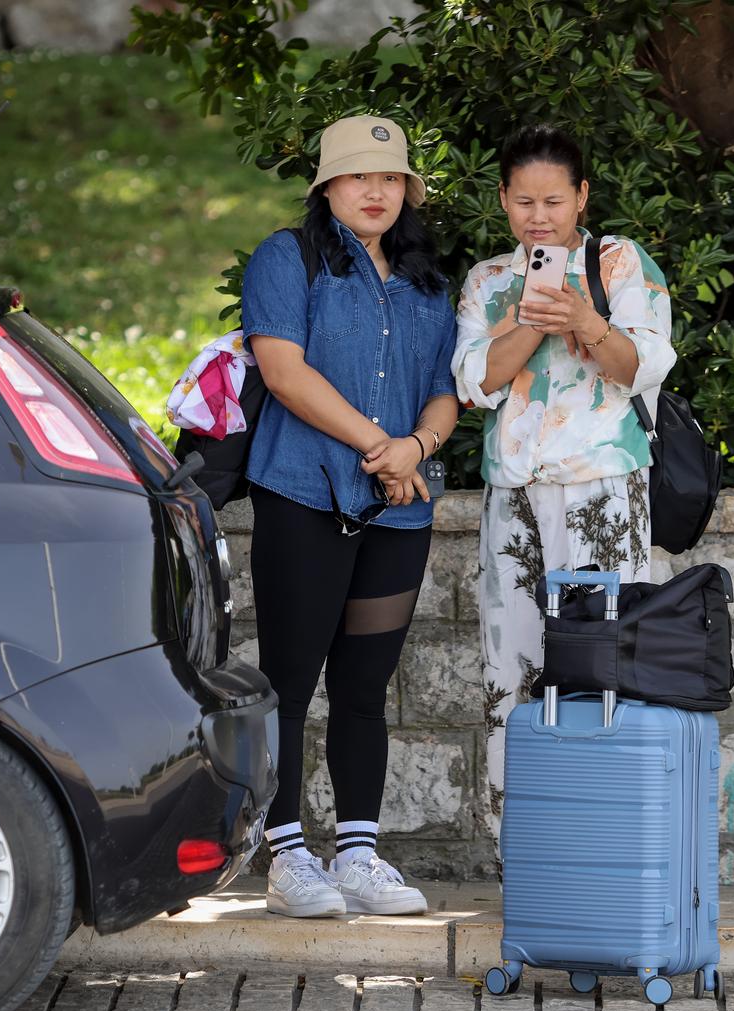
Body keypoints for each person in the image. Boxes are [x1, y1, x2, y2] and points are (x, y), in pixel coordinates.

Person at [242, 115, 461, 917]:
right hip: (303, 489)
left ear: (407, 191)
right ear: (327, 187)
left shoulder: (430, 283)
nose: (376, 190)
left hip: (398, 511)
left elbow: (448, 387)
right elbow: (284, 371)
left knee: (365, 687)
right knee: (291, 682)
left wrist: (419, 443)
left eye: (391, 177)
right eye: (359, 175)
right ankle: (288, 855)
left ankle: (360, 855)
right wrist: (385, 447)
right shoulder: (286, 258)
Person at [451, 124, 679, 849]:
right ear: (503, 202)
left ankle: (609, 845)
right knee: (511, 667)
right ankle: (520, 852)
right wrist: (527, 318)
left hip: (605, 487)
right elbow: (474, 382)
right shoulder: (489, 280)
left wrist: (584, 317)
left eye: (554, 199)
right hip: (514, 491)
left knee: (605, 664)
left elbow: (645, 365)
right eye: (524, 202)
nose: (539, 216)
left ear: (582, 196)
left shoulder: (619, 263)